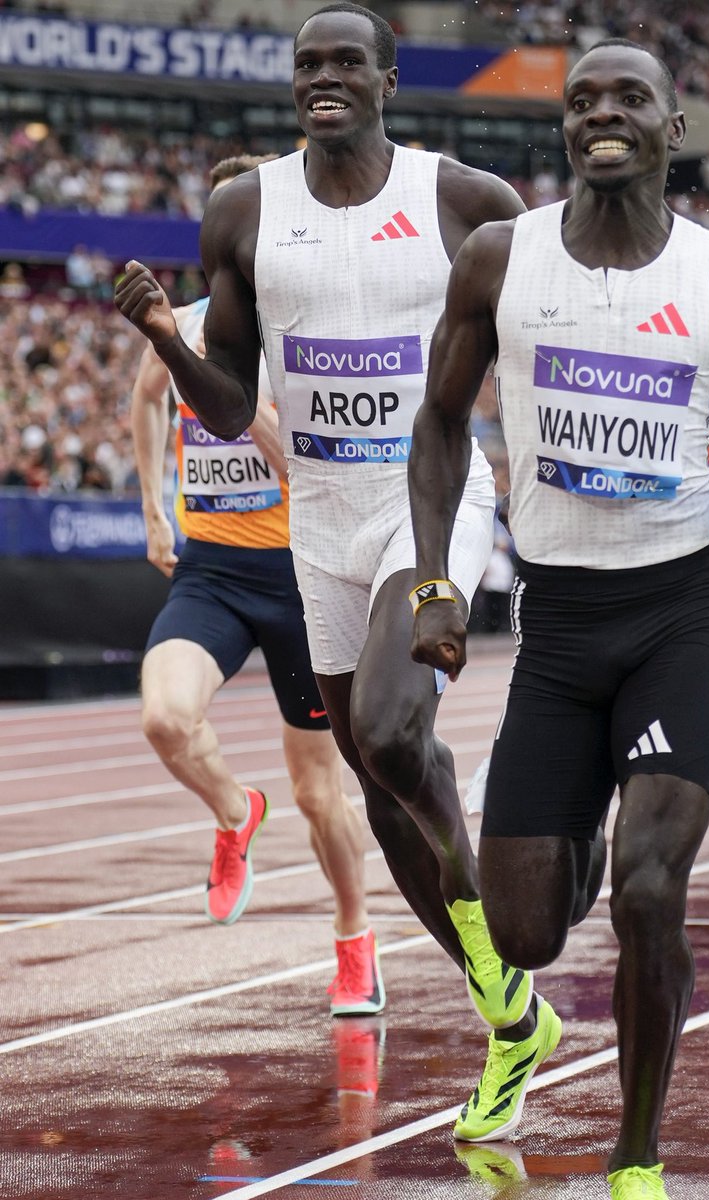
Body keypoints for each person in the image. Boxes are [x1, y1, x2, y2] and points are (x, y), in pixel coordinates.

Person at [116, 2, 548, 1139]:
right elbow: (225, 400)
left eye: (347, 61)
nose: (325, 77)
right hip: (322, 523)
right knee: (377, 778)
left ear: (389, 80)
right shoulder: (245, 207)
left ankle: (502, 923)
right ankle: (507, 1007)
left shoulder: (464, 197)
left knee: (402, 736)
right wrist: (167, 339)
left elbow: (549, 322)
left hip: (433, 501)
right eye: (308, 63)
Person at [407, 39, 709, 1200]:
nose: (602, 115)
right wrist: (437, 576)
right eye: (582, 101)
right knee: (527, 929)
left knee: (647, 891)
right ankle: (574, 846)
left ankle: (637, 1152)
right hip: (559, 623)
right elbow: (439, 428)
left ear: (673, 127)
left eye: (629, 97)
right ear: (566, 129)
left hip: (680, 613)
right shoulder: (500, 257)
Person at [133, 153, 381, 1017]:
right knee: (165, 715)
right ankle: (235, 812)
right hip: (213, 567)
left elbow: (300, 453)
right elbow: (145, 400)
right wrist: (155, 511)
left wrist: (241, 400)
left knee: (321, 793)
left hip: (298, 577)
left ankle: (354, 938)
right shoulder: (189, 318)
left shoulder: (307, 329)